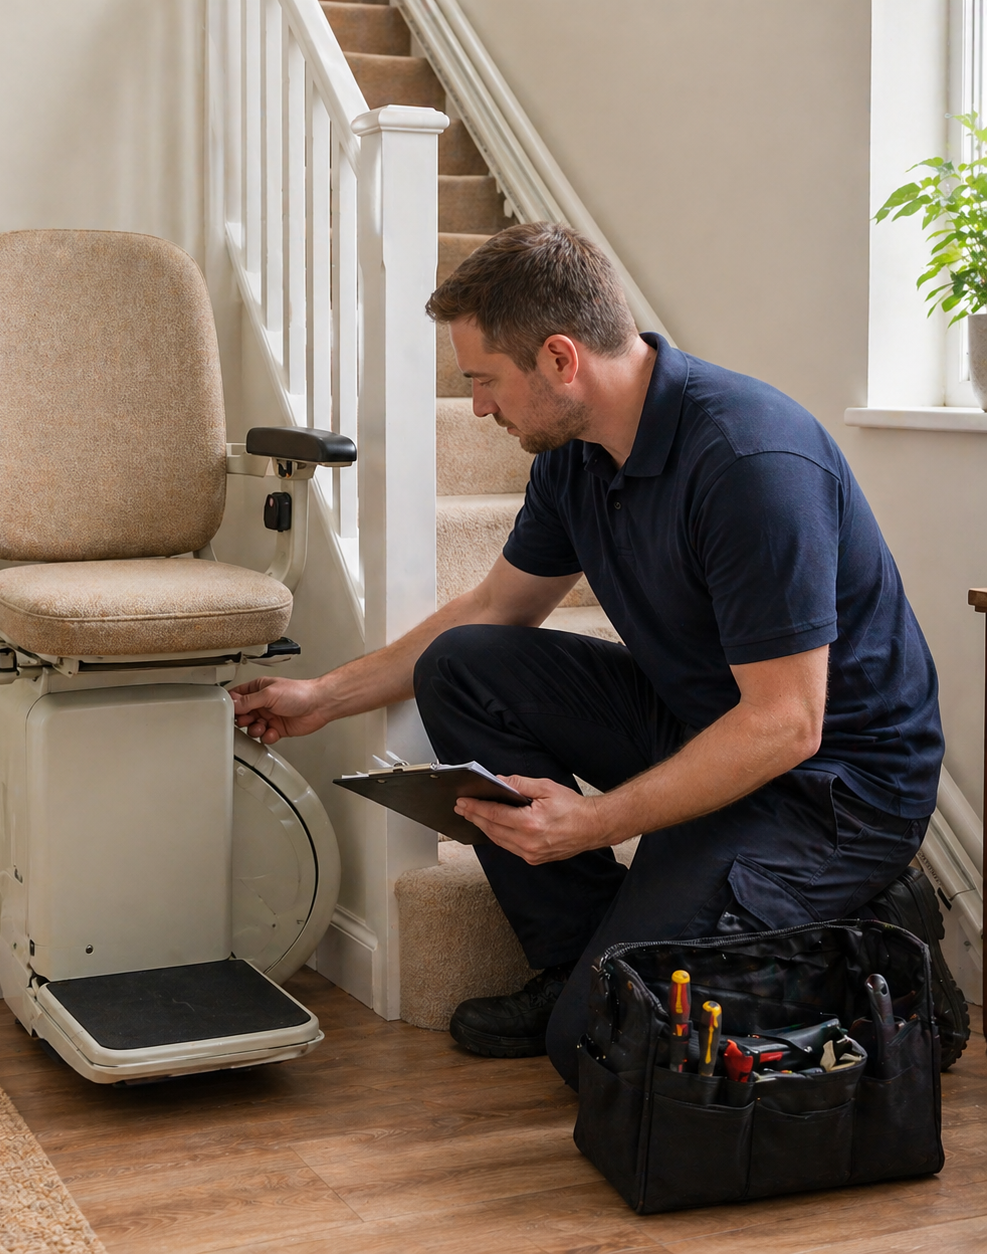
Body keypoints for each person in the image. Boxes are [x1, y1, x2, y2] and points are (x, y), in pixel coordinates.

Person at [230, 222, 968, 1084]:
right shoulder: (575, 455)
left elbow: (786, 725)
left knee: (597, 1047)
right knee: (465, 662)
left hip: (833, 789)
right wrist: (322, 697)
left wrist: (593, 824)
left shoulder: (749, 461)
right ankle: (578, 959)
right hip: (704, 721)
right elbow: (499, 605)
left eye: (483, 381)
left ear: (560, 358)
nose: (476, 407)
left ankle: (882, 936)